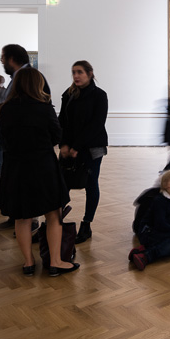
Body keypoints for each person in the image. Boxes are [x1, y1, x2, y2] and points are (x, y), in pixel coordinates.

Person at [0, 67, 79, 276]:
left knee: (22, 216)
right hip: (42, 165)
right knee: (53, 214)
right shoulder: (43, 108)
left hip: (15, 167)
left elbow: (3, 138)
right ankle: (55, 262)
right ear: (38, 84)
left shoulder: (4, 109)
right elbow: (56, 136)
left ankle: (28, 263)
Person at [0, 44, 50, 230]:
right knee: (17, 185)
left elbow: (43, 108)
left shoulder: (32, 77)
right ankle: (17, 218)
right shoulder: (16, 77)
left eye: (3, 57)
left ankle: (29, 222)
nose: (1, 61)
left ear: (11, 59)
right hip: (16, 146)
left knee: (27, 185)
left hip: (28, 148)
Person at [59, 60, 108, 244]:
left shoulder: (99, 95)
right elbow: (62, 121)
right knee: (61, 184)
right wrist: (63, 144)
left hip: (91, 148)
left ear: (89, 73)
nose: (76, 76)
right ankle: (54, 223)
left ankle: (86, 225)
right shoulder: (69, 94)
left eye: (80, 72)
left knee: (90, 184)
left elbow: (96, 124)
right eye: (73, 72)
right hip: (70, 148)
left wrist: (77, 147)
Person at [129, 170, 170, 271]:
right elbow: (160, 224)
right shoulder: (160, 200)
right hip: (150, 232)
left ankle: (142, 250)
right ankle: (146, 256)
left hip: (164, 231)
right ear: (165, 184)